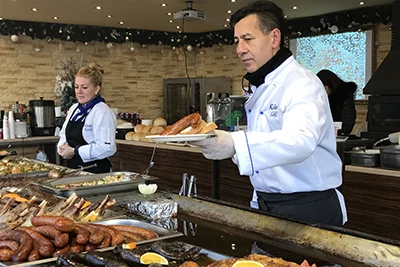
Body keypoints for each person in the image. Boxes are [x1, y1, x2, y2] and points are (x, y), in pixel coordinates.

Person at [192, 0, 347, 227]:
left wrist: (235, 144)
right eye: (237, 41)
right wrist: (224, 145)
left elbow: (299, 141)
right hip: (268, 204)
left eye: (247, 39)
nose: (239, 49)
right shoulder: (263, 84)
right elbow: (265, 145)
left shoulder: (302, 83)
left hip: (309, 208)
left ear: (274, 38)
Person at [57, 62, 117, 173]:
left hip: (95, 171)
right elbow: (63, 134)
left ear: (96, 89)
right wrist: (62, 147)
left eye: (84, 87)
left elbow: (107, 148)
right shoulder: (74, 109)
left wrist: (75, 151)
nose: (79, 92)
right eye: (76, 87)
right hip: (74, 169)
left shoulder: (102, 111)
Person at [316, 69, 357, 135]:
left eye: (323, 89)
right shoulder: (322, 99)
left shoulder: (344, 97)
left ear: (329, 86)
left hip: (337, 137)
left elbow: (347, 124)